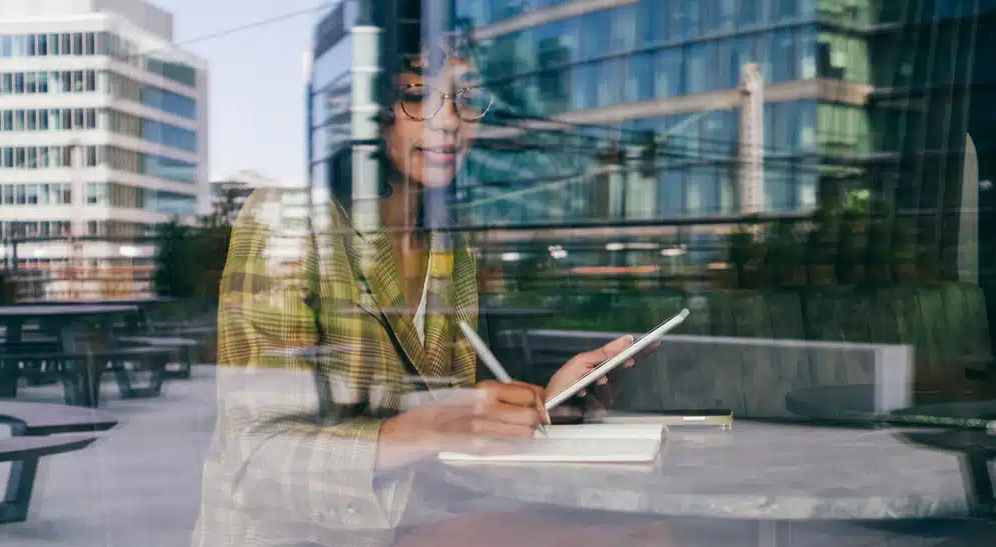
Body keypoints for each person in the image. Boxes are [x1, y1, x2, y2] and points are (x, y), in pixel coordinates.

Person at [192, 40, 670, 547]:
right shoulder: (289, 221)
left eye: (465, 97)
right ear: (370, 113)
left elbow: (442, 415)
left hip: (407, 521)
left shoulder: (449, 247)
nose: (448, 122)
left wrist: (545, 403)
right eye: (417, 94)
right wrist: (441, 426)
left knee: (650, 532)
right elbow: (259, 460)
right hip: (297, 536)